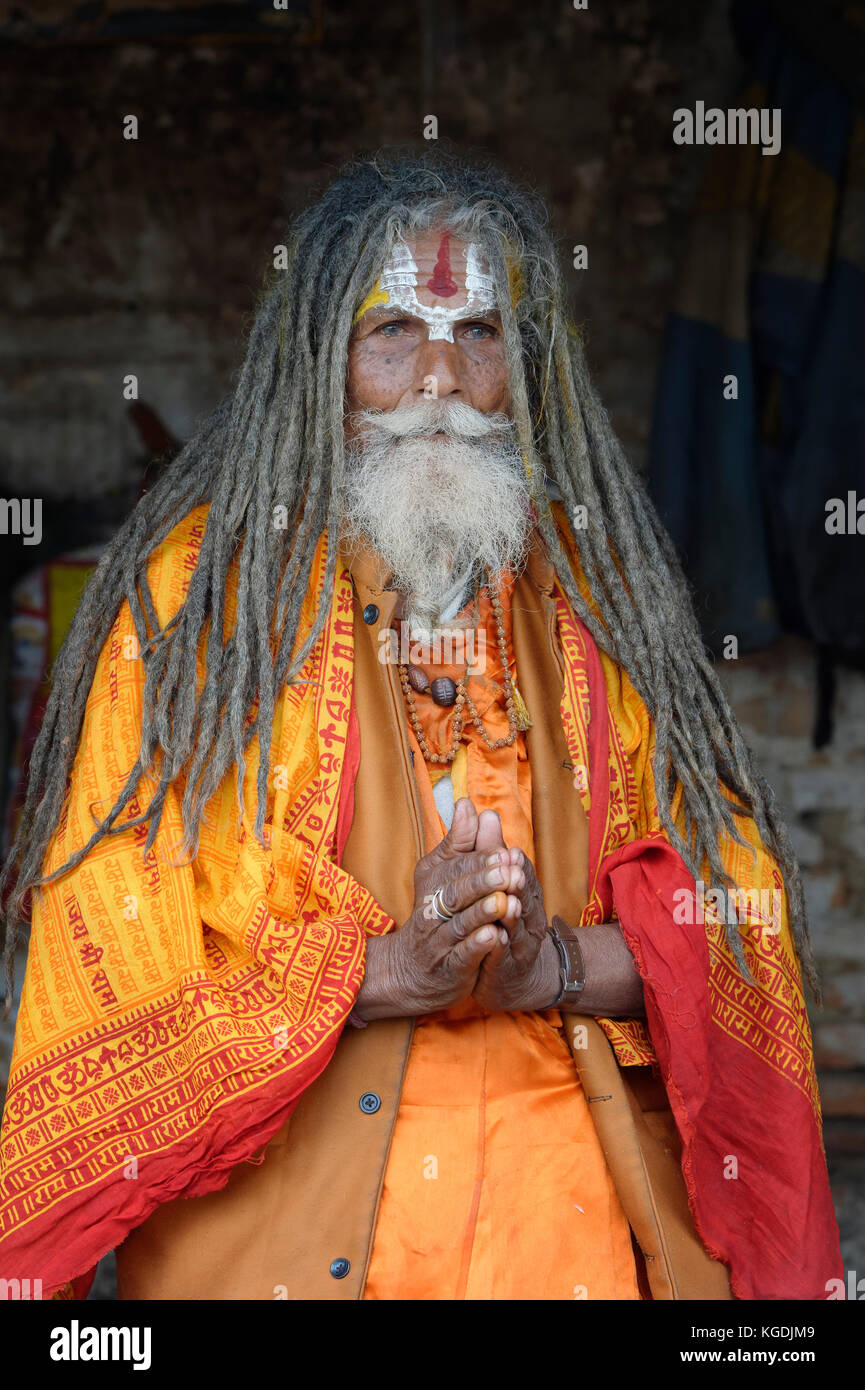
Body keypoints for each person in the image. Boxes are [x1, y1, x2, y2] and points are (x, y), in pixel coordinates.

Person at [0, 150, 842, 1301]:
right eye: (391, 330)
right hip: (288, 1245)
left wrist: (545, 965)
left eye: (481, 333)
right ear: (318, 363)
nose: (440, 376)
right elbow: (114, 957)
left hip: (570, 1236)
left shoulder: (601, 597)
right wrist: (390, 967)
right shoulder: (195, 605)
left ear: (526, 364)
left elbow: (738, 916)